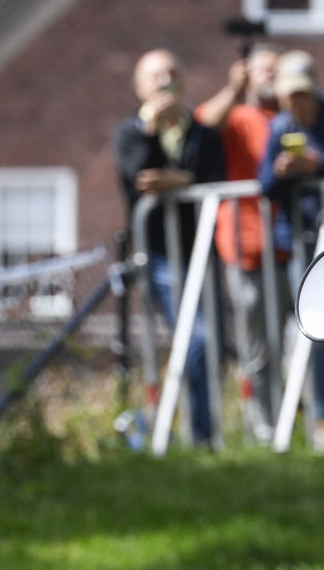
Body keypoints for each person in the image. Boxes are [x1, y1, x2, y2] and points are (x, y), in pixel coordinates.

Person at [114, 48, 227, 447]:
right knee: (195, 339)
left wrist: (179, 181)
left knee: (212, 340)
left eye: (172, 72)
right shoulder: (130, 133)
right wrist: (151, 133)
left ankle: (205, 433)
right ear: (139, 87)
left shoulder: (202, 132)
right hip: (161, 256)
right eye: (155, 75)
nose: (165, 81)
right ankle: (197, 434)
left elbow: (216, 179)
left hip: (202, 251)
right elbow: (139, 176)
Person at [258, 49, 324, 451]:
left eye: (302, 94)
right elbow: (264, 184)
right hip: (300, 243)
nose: (297, 103)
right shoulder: (280, 125)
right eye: (291, 95)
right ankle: (323, 423)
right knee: (313, 333)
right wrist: (282, 171)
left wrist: (318, 164)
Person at [195, 44, 289, 444]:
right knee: (258, 347)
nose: (270, 74)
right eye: (263, 68)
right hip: (246, 248)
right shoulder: (235, 115)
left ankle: (301, 423)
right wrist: (233, 88)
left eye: (275, 68)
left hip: (291, 246)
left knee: (302, 341)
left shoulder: (289, 116)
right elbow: (201, 126)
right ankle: (263, 428)